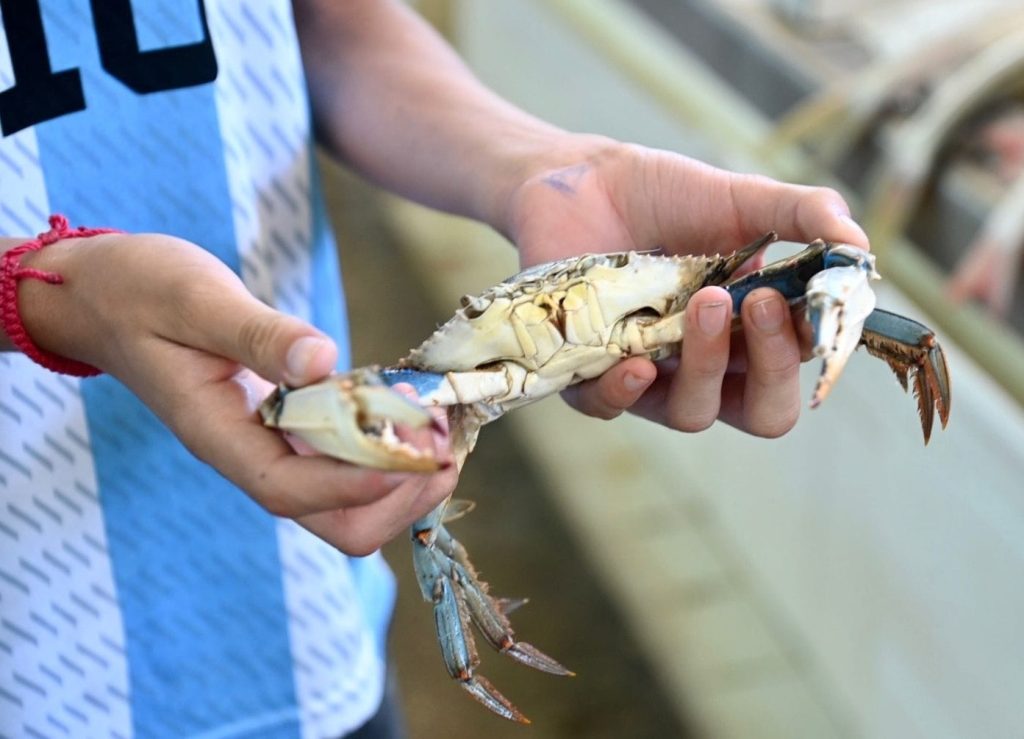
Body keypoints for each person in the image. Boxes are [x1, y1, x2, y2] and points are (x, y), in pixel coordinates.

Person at [0, 1, 869, 737]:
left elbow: (334, 26)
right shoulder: (435, 384)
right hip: (38, 664)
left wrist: (545, 171)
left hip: (311, 637)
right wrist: (38, 295)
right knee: (429, 515)